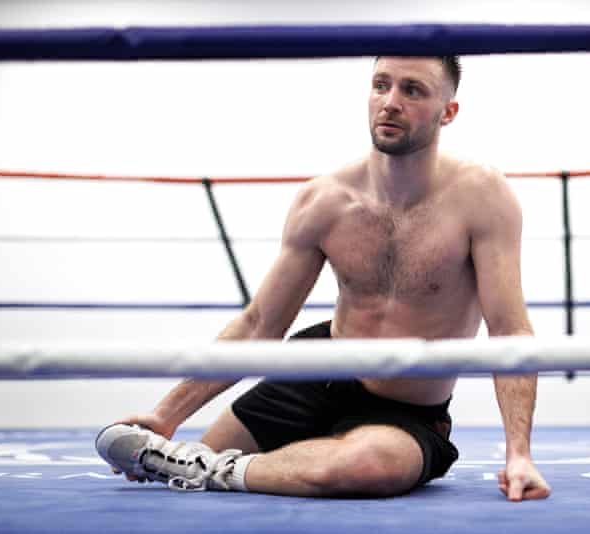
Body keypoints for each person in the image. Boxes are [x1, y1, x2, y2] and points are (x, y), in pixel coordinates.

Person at [97, 56, 551, 502]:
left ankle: (210, 470)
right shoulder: (325, 200)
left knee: (370, 467)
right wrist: (165, 417)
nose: (390, 102)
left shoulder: (482, 197)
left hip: (406, 407)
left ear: (447, 112)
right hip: (318, 370)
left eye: (412, 90)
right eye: (381, 85)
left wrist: (519, 455)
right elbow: (260, 324)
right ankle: (213, 465)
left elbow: (509, 330)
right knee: (196, 451)